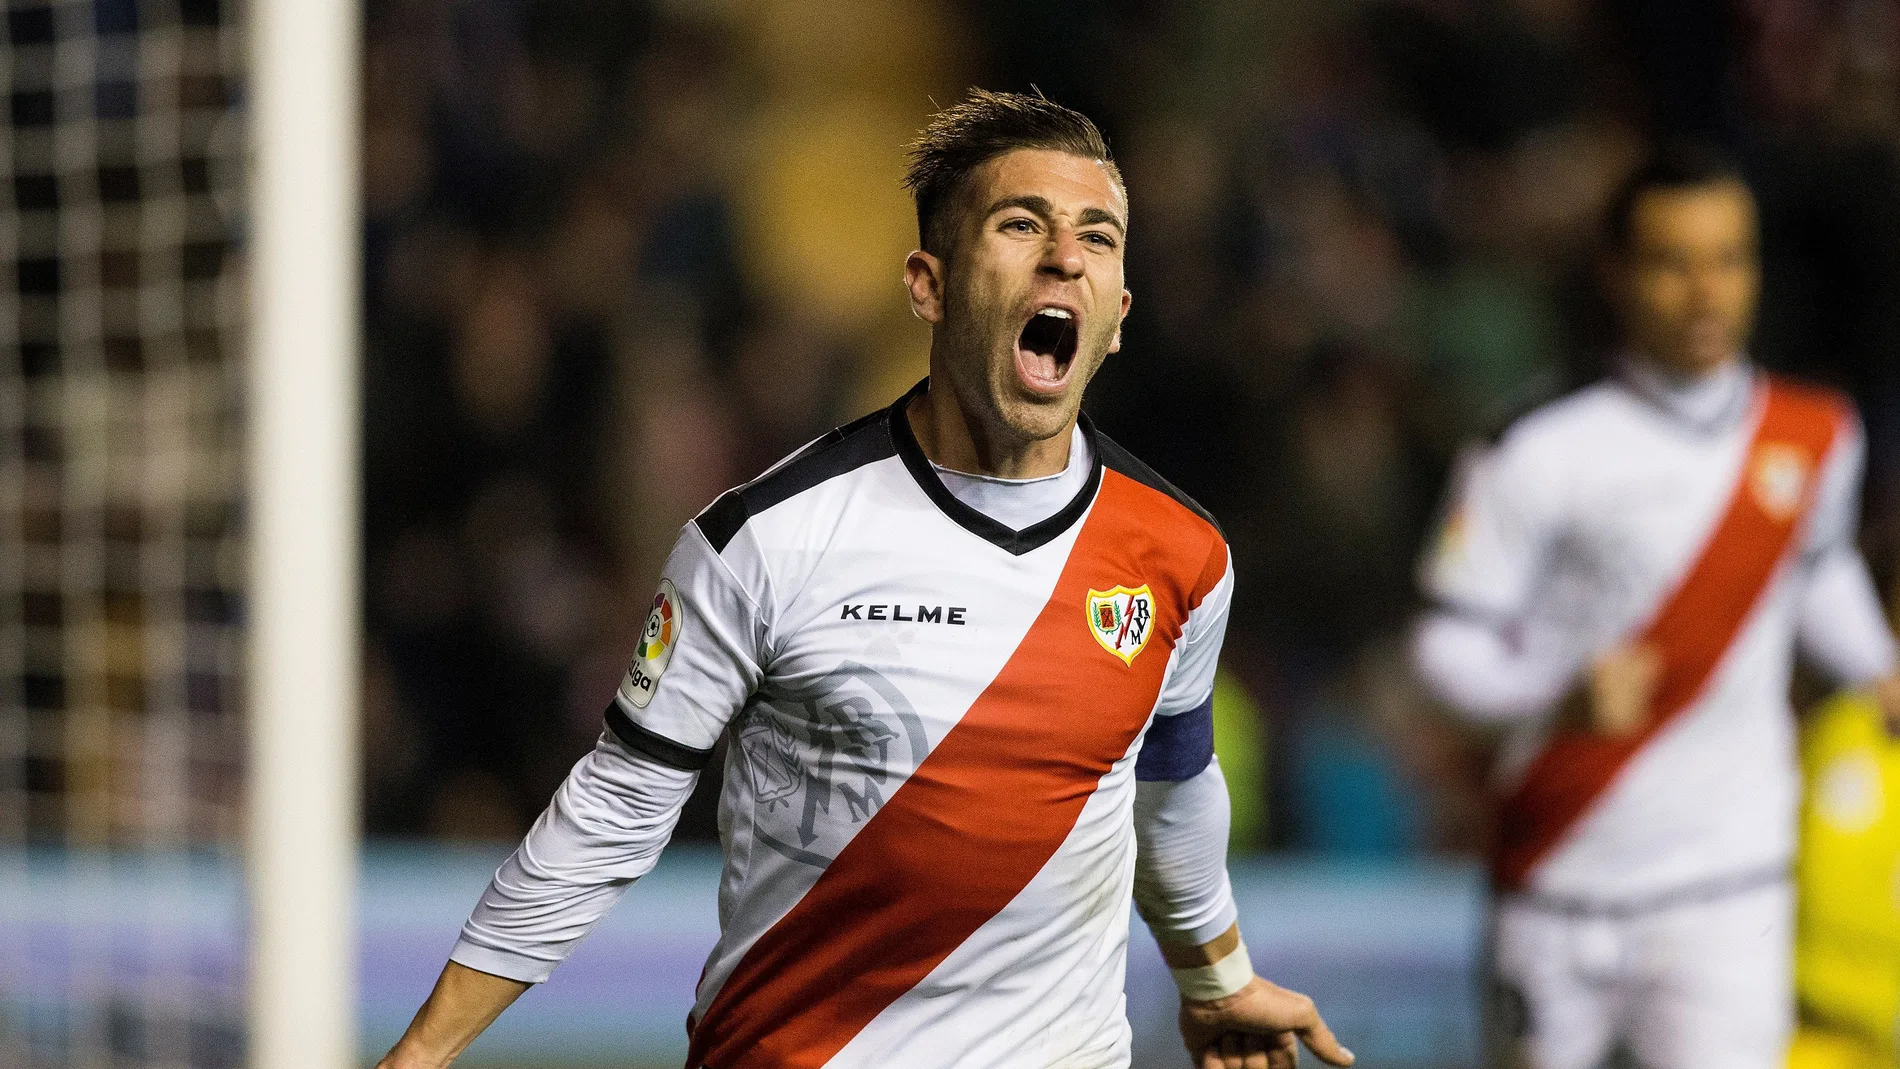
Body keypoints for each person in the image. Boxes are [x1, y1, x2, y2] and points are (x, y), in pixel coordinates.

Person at [376, 89, 1353, 1069]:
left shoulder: (1181, 552)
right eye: (1022, 225)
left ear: (1119, 316)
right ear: (929, 284)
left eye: (1097, 237)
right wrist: (417, 1055)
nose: (1065, 255)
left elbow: (1172, 786)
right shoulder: (767, 541)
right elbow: (614, 811)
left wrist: (1217, 978)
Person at [1412, 141, 1900, 1069]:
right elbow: (1442, 649)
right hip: (1557, 874)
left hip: (1728, 885)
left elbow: (1817, 567)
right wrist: (1556, 695)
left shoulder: (1816, 435)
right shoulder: (1535, 447)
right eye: (1674, 263)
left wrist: (1876, 664)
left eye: (1729, 260)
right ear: (1618, 274)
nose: (1706, 292)